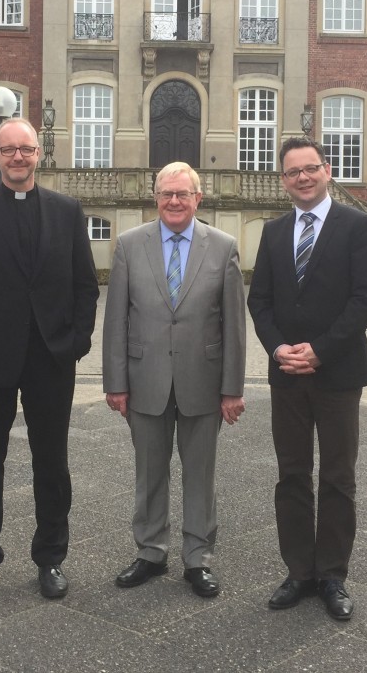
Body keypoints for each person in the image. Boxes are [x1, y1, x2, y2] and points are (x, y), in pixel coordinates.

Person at [0, 116, 99, 603]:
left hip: (51, 359)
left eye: (26, 149)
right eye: (8, 149)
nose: (17, 157)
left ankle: (51, 557)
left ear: (39, 154)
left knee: (51, 463)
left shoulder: (67, 211)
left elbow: (85, 287)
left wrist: (75, 343)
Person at [247, 136, 367, 622]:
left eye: (310, 168)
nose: (302, 177)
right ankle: (299, 571)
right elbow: (259, 300)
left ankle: (332, 575)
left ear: (327, 171)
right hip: (286, 374)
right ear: (283, 180)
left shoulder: (358, 226)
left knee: (339, 476)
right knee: (291, 474)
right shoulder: (274, 230)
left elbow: (366, 299)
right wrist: (279, 347)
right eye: (292, 172)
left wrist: (320, 351)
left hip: (338, 372)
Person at [103, 162, 246, 599]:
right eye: (166, 194)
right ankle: (150, 551)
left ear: (198, 199)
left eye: (183, 194)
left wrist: (233, 389)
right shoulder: (129, 245)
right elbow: (116, 321)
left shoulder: (223, 247)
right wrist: (116, 382)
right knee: (149, 473)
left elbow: (235, 326)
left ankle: (197, 558)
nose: (175, 201)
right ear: (155, 198)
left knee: (200, 475)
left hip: (203, 381)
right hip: (145, 379)